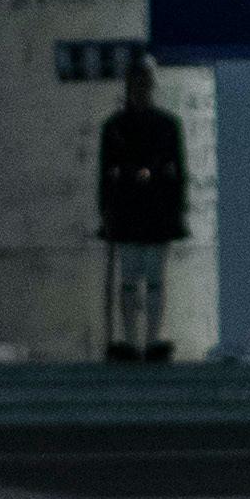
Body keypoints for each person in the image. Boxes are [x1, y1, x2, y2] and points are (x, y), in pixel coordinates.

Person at [96, 75, 190, 363]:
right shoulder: (116, 128)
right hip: (129, 210)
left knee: (151, 279)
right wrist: (106, 209)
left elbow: (178, 173)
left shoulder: (161, 126)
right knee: (130, 278)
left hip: (153, 209)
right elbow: (105, 174)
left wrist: (177, 208)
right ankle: (131, 340)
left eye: (143, 88)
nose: (140, 94)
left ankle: (148, 339)